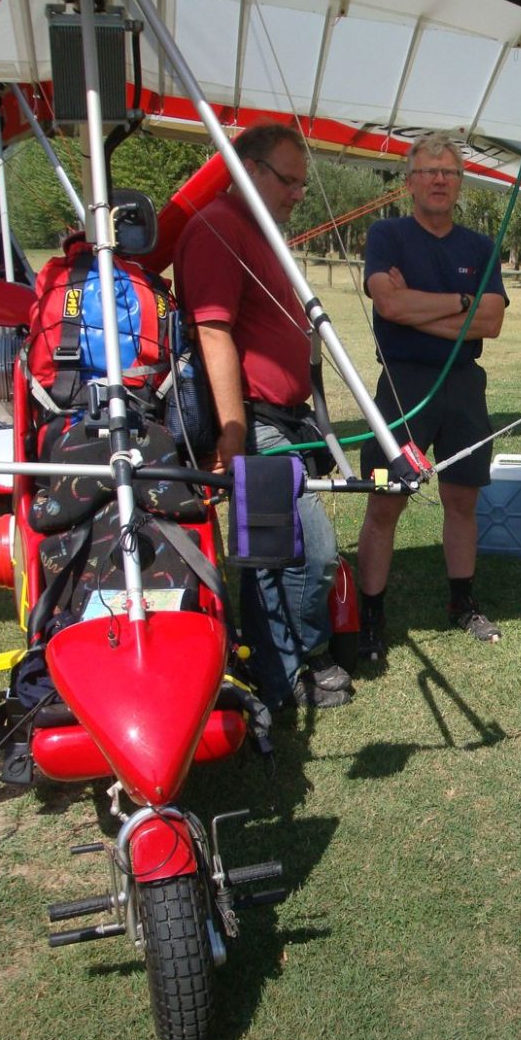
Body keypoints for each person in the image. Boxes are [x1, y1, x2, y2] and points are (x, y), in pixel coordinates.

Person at [173, 123, 352, 711]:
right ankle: (291, 664)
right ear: (250, 170)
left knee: (279, 550)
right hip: (256, 418)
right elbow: (213, 330)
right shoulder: (217, 229)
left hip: (286, 417)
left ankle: (283, 662)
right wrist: (233, 432)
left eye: (303, 184)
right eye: (289, 181)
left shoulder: (257, 231)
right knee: (303, 549)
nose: (298, 194)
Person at [357, 133, 508, 663]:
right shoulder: (387, 235)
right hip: (402, 383)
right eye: (428, 171)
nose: (439, 179)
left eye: (449, 171)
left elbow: (490, 321)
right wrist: (462, 308)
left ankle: (462, 603)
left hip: (464, 386)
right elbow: (389, 305)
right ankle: (370, 615)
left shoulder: (480, 247)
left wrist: (429, 308)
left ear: (460, 182)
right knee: (385, 500)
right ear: (410, 181)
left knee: (462, 497)